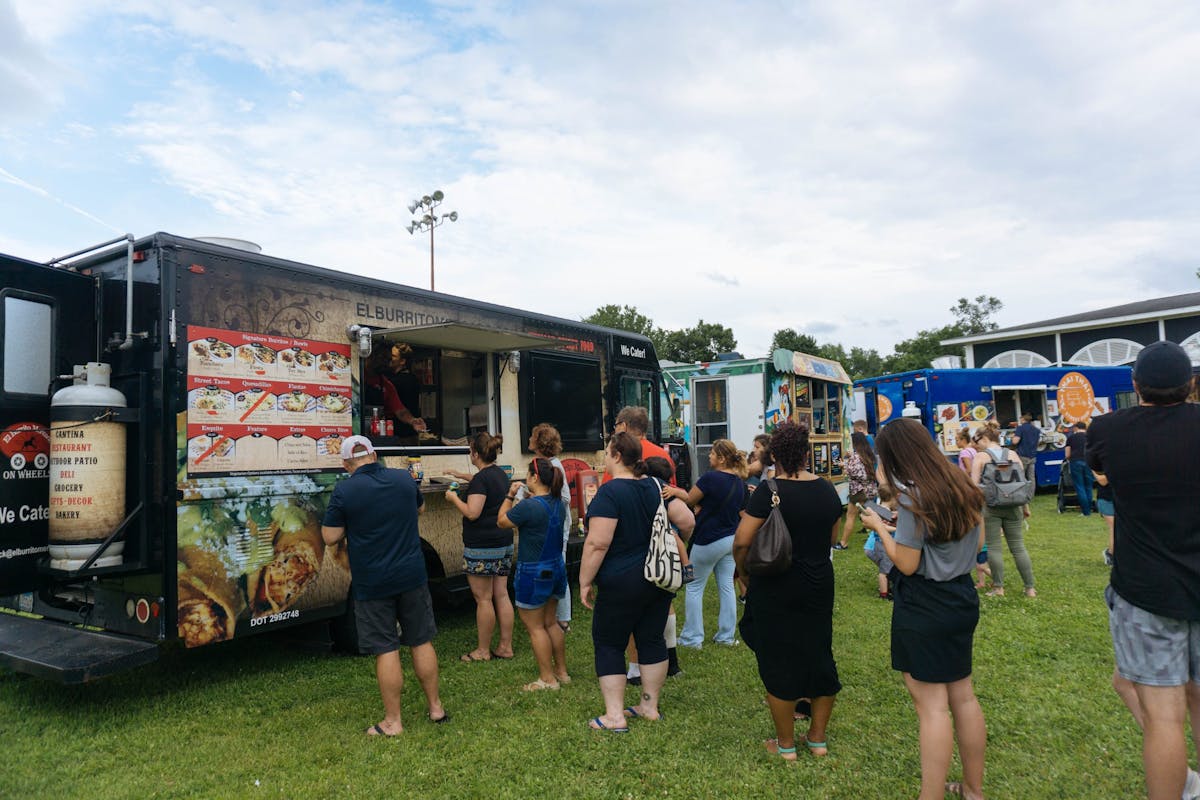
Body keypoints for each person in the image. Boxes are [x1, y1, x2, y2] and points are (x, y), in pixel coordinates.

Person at [1087, 341, 1200, 800]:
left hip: (1145, 589)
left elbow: (1099, 470)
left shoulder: (1108, 429)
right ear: (1191, 384)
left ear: (1135, 387)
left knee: (1163, 719)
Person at [860, 418, 987, 800]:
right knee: (963, 695)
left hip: (925, 604)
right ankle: (973, 790)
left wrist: (882, 529)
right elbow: (976, 536)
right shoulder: (962, 485)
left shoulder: (915, 497)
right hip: (962, 597)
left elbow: (908, 564)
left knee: (932, 708)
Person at [320, 435, 448, 735]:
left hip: (372, 581)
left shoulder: (345, 490)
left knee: (386, 647)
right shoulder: (404, 479)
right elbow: (420, 510)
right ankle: (436, 708)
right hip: (412, 575)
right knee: (421, 640)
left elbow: (329, 536)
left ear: (345, 464)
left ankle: (393, 721)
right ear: (374, 455)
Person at [733, 421, 843, 760]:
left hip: (776, 582)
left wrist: (744, 572)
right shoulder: (827, 490)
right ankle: (818, 739)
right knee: (819, 653)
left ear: (774, 455)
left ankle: (785, 745)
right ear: (808, 453)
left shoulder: (769, 491)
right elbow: (833, 537)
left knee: (777, 660)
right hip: (819, 581)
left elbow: (742, 540)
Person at [579, 432, 695, 732]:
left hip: (620, 582)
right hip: (657, 580)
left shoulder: (609, 492)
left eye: (607, 451)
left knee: (609, 643)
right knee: (652, 640)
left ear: (617, 455)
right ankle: (648, 706)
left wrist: (584, 581)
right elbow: (687, 521)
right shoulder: (656, 486)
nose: (605, 457)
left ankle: (614, 717)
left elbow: (597, 543)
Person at [664, 439, 747, 649]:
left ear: (721, 458)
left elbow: (690, 500)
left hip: (708, 539)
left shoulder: (710, 478)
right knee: (727, 586)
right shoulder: (739, 482)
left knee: (694, 586)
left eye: (711, 453)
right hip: (730, 539)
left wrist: (674, 491)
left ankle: (692, 638)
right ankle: (726, 636)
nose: (708, 456)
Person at [498, 458, 570, 691]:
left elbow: (502, 521)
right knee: (551, 622)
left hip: (534, 572)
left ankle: (547, 679)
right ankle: (561, 672)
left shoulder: (528, 507)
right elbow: (541, 508)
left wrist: (510, 496)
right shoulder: (559, 502)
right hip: (557, 567)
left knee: (535, 627)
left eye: (528, 475)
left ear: (534, 478)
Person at [445, 432, 515, 662]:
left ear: (475, 453)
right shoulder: (499, 474)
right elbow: (481, 483)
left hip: (482, 546)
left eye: (470, 450)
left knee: (483, 598)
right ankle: (505, 646)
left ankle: (483, 651)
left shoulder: (480, 480)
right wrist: (460, 475)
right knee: (501, 594)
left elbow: (473, 513)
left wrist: (454, 499)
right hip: (503, 542)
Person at [970, 422, 1036, 598]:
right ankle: (1030, 588)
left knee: (994, 548)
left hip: (991, 506)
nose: (976, 446)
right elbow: (1021, 484)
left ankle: (998, 588)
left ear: (984, 438)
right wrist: (1025, 507)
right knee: (1018, 547)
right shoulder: (1013, 455)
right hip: (1015, 505)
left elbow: (973, 486)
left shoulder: (981, 457)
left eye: (977, 441)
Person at [523, 423, 574, 632]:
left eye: (532, 436)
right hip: (550, 525)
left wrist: (534, 497)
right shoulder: (544, 465)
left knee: (558, 569)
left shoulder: (553, 467)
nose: (528, 440)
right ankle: (554, 615)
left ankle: (563, 619)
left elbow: (564, 498)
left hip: (555, 526)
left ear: (539, 442)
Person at [362, 345, 426, 437]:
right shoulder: (359, 375)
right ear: (370, 356)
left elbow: (400, 411)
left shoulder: (386, 384)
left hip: (376, 432)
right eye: (382, 358)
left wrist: (412, 421)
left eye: (388, 360)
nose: (385, 363)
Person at [835, 431, 878, 550]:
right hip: (870, 490)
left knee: (851, 516)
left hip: (858, 491)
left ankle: (843, 543)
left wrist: (845, 467)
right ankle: (882, 535)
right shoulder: (869, 455)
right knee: (873, 513)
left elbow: (857, 474)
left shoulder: (856, 457)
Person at [865, 484, 900, 600]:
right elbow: (882, 527)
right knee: (884, 571)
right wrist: (897, 528)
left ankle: (888, 587)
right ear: (892, 498)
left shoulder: (879, 508)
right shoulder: (884, 512)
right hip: (881, 545)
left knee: (887, 568)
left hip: (877, 544)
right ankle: (884, 594)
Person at [384, 342, 423, 444]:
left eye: (393, 356)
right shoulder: (413, 378)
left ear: (402, 361)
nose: (389, 358)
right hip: (410, 431)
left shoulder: (395, 381)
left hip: (400, 434)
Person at [1064, 421, 1093, 516]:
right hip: (1089, 462)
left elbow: (1067, 454)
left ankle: (1086, 511)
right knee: (1089, 486)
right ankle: (1090, 507)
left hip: (1076, 462)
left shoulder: (1071, 438)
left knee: (1080, 486)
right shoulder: (1090, 437)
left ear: (1076, 428)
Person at [1010, 411, 1041, 484]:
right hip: (1033, 456)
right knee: (1031, 477)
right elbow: (1038, 442)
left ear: (1023, 419)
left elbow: (1015, 441)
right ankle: (1031, 494)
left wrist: (1012, 438)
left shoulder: (1020, 428)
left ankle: (1022, 493)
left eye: (1020, 418)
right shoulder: (1036, 430)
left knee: (1021, 475)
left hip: (1023, 455)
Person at [1094, 469, 1115, 566]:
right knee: (1115, 528)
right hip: (1106, 499)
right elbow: (1102, 481)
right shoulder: (1098, 461)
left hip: (1122, 498)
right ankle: (1110, 555)